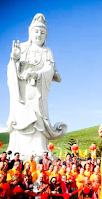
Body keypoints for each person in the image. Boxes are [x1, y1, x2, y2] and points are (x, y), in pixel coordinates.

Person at [6, 13, 66, 159]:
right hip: (22, 93)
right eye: (36, 31)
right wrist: (14, 58)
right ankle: (15, 150)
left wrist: (37, 75)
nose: (39, 34)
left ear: (46, 35)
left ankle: (39, 149)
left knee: (38, 118)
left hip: (38, 93)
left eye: (42, 32)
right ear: (30, 32)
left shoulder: (46, 51)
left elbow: (50, 70)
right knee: (19, 119)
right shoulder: (22, 48)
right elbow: (11, 70)